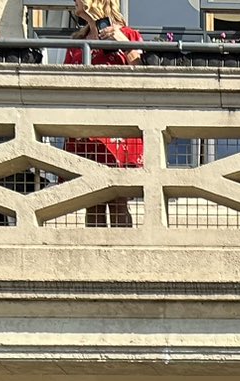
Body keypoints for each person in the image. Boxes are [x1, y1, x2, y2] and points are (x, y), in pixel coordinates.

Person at [65, 0, 143, 228]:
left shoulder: (127, 34)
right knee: (92, 199)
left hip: (119, 125)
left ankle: (124, 256)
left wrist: (124, 43)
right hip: (84, 127)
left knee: (118, 198)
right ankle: (93, 259)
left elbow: (145, 73)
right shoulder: (77, 42)